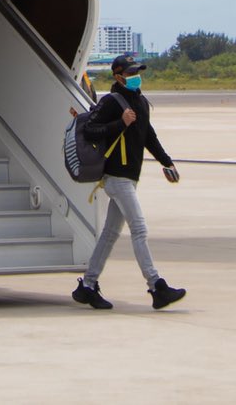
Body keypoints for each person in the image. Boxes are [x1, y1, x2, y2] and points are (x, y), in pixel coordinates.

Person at [70, 53, 186, 311]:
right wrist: (119, 124)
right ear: (118, 76)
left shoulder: (141, 102)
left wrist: (167, 162)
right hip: (116, 177)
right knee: (139, 229)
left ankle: (87, 286)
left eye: (138, 72)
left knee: (110, 234)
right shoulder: (113, 101)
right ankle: (157, 286)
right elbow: (90, 130)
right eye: (131, 73)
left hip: (130, 178)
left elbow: (149, 136)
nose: (136, 77)